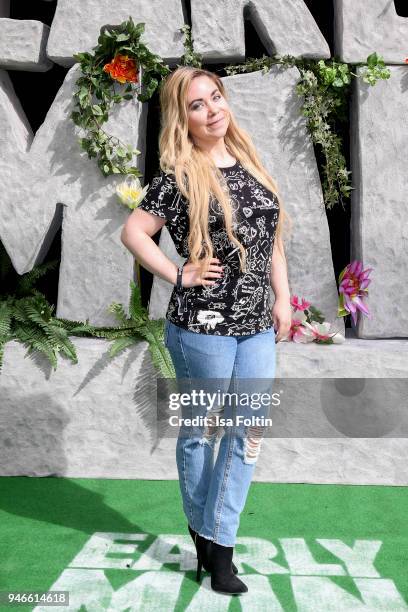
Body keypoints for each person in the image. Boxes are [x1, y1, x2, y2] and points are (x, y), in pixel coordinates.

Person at [121, 66, 292, 595]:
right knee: (200, 433)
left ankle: (220, 541)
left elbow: (272, 242)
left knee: (248, 433)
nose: (213, 109)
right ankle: (208, 540)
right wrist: (179, 273)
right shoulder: (179, 175)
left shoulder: (250, 164)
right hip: (203, 328)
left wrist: (283, 299)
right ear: (184, 118)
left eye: (216, 97)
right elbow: (133, 231)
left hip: (257, 326)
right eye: (198, 104)